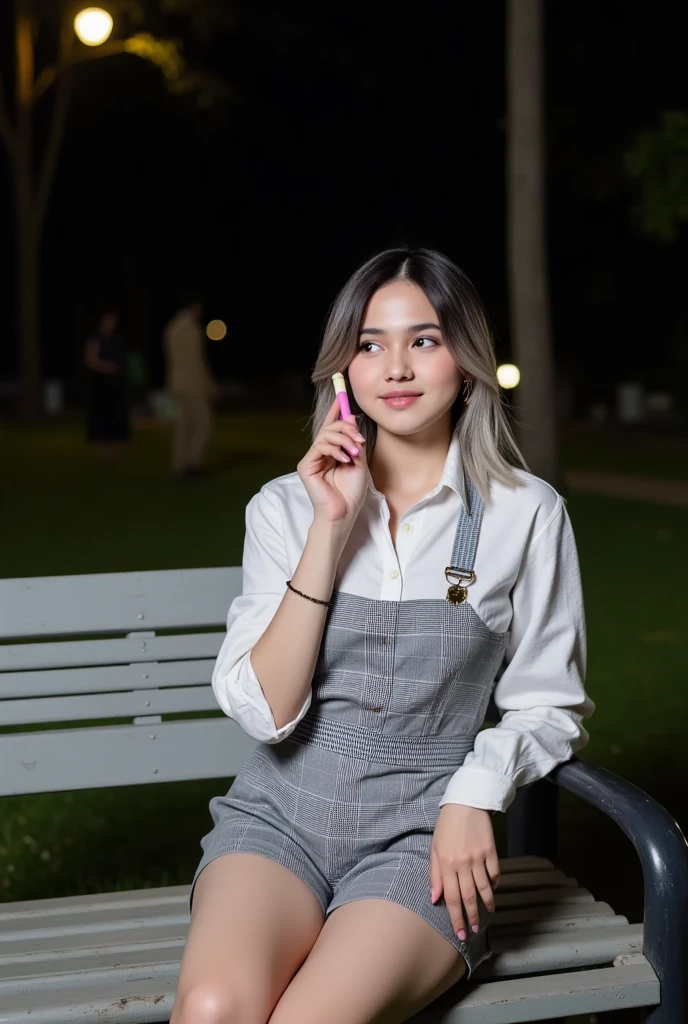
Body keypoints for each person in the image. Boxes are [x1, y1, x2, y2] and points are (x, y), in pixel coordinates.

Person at [171, 248, 595, 1024]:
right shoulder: (283, 508)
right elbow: (265, 715)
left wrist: (475, 793)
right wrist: (329, 530)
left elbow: (549, 704)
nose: (395, 367)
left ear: (467, 363)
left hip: (423, 840)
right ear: (344, 370)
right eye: (371, 344)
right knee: (208, 1009)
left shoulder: (526, 514)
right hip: (280, 818)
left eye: (424, 340)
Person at [163, 295, 218, 477]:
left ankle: (179, 465)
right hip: (192, 384)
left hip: (176, 383)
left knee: (183, 426)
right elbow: (196, 361)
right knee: (204, 424)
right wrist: (210, 385)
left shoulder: (171, 327)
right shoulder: (191, 328)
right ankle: (193, 463)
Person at [84, 311, 130, 455]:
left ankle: (115, 442)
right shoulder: (95, 338)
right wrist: (106, 367)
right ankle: (100, 443)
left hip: (115, 384)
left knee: (115, 413)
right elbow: (89, 360)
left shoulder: (116, 340)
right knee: (101, 413)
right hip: (100, 383)